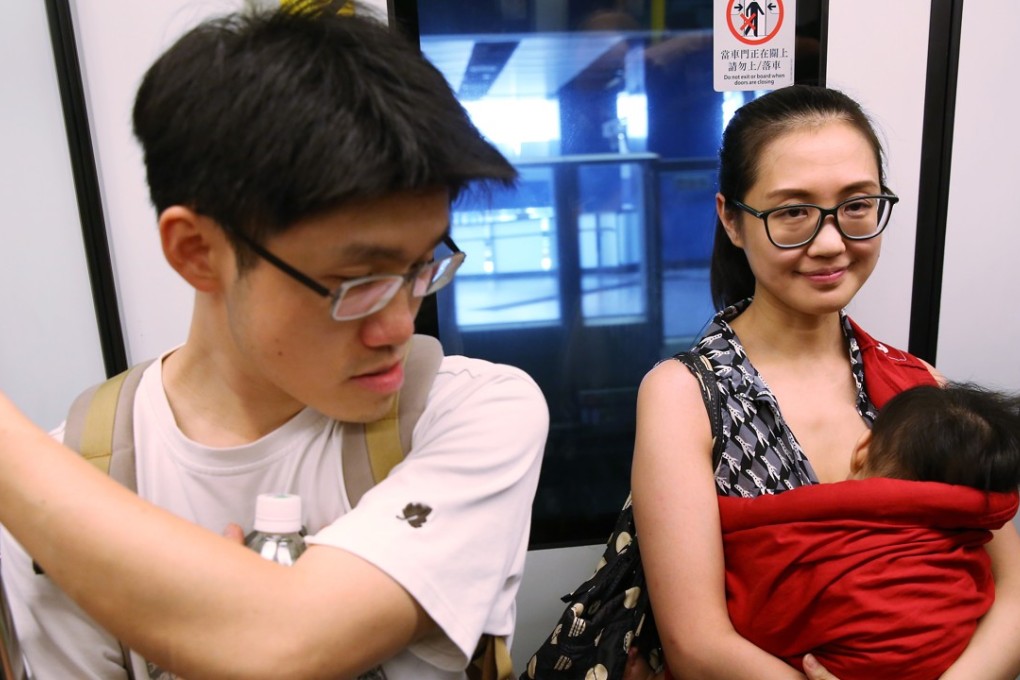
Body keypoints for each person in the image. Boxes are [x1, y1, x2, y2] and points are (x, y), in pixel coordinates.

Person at [0, 4, 548, 679]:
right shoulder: (77, 474)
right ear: (198, 252)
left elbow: (284, 640)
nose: (400, 327)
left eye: (419, 269)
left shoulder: (472, 413)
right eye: (356, 283)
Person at [628, 84, 1020, 680]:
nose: (832, 242)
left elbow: (1013, 591)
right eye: (793, 213)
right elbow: (696, 643)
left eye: (857, 205)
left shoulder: (916, 386)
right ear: (731, 220)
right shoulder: (685, 396)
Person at [714, 382, 1020, 680]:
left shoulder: (807, 514)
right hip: (942, 659)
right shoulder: (973, 517)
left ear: (862, 450)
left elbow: (748, 545)